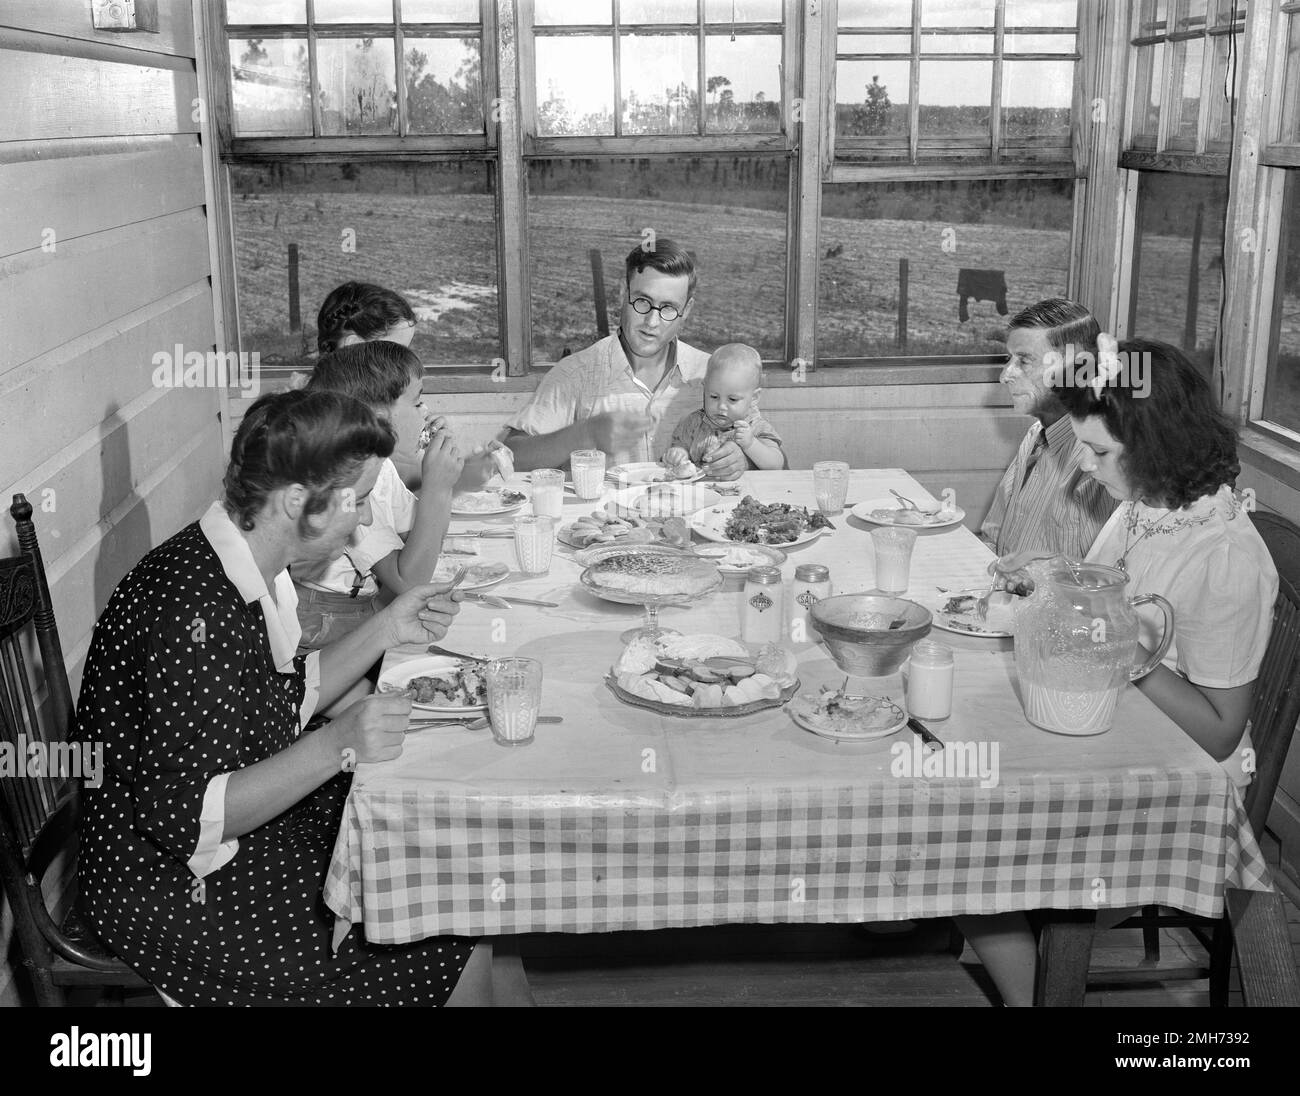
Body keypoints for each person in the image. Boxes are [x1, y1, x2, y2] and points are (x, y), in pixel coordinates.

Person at [76, 390, 498, 1005]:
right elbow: (186, 818)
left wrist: (390, 625)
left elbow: (285, 694)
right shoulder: (193, 608)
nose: (360, 521)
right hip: (168, 881)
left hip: (242, 829)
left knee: (449, 875)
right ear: (299, 503)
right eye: (353, 502)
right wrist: (335, 745)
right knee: (438, 923)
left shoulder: (250, 562)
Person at [961, 337, 1279, 1007]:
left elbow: (1221, 733)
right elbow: (1114, 591)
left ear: (1159, 442)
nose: (1093, 469)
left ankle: (1031, 984)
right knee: (959, 756)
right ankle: (989, 939)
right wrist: (1055, 574)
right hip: (1114, 719)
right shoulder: (1146, 506)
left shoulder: (1224, 556)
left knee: (965, 839)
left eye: (1102, 453)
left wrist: (1129, 655)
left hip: (1185, 781)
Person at [501, 238, 746, 480]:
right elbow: (512, 456)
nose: (652, 322)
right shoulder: (575, 373)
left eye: (668, 308)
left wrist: (742, 460)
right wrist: (585, 433)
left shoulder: (713, 372)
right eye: (642, 302)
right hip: (606, 518)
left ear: (687, 310)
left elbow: (779, 461)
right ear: (622, 292)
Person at [295, 342, 463, 649]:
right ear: (377, 416)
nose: (426, 412)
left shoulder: (379, 466)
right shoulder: (348, 479)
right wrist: (438, 490)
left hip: (360, 604)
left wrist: (441, 479)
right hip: (325, 621)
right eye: (416, 403)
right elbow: (409, 581)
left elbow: (426, 542)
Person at [315, 281, 502, 490]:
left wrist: (428, 451)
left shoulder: (371, 407)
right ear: (354, 346)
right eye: (395, 349)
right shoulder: (326, 425)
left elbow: (394, 480)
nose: (405, 360)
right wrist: (455, 477)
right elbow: (380, 482)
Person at [981, 298, 1117, 559]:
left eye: (1024, 361)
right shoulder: (1036, 434)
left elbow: (1108, 578)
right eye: (1009, 359)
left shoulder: (1103, 456)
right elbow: (993, 538)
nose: (1005, 375)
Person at [664, 343, 786, 473]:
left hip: (744, 491)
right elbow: (680, 445)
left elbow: (776, 464)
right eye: (714, 396)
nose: (721, 406)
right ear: (705, 388)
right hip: (702, 490)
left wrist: (751, 444)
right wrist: (679, 453)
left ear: (754, 398)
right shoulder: (694, 423)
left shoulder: (756, 426)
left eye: (732, 399)